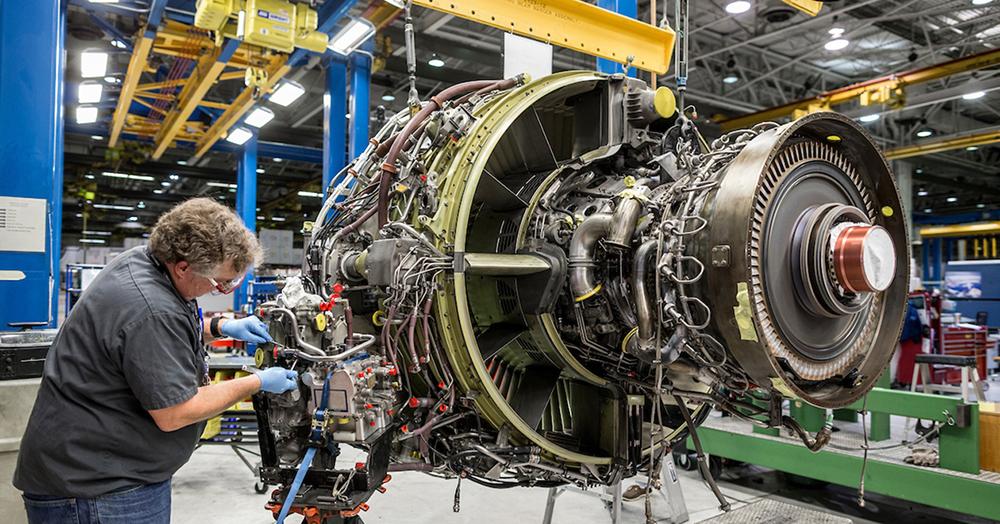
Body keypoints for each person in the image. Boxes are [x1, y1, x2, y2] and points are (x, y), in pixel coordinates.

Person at [13, 198, 298, 523]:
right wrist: (258, 381)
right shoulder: (150, 307)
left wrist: (221, 327)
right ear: (183, 267)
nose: (222, 290)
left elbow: (160, 337)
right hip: (96, 489)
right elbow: (176, 412)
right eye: (221, 283)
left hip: (104, 472)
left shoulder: (149, 263)